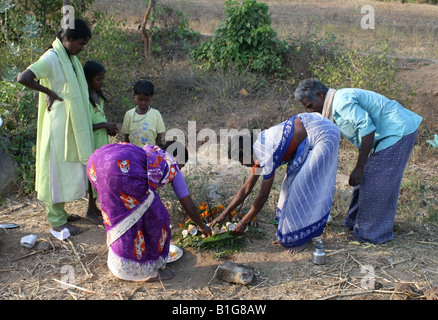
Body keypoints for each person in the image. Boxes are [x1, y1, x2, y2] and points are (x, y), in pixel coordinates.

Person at [294, 78, 423, 244]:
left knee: (375, 182)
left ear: (320, 95)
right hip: (388, 135)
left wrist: (360, 166)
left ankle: (371, 234)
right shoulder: (336, 105)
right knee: (364, 181)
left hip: (398, 131)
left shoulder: (341, 101)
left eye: (311, 106)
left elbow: (367, 129)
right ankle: (355, 224)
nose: (312, 111)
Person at [211, 113, 340, 251]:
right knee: (287, 189)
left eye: (241, 160)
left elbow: (263, 195)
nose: (242, 164)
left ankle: (300, 239)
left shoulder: (265, 154)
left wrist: (244, 222)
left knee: (300, 189)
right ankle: (292, 235)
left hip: (324, 134)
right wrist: (223, 214)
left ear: (247, 153)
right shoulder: (258, 154)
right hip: (309, 130)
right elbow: (246, 189)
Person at [87, 141, 212, 281]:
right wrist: (203, 226)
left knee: (121, 217)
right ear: (177, 156)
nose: (179, 169)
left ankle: (120, 266)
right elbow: (188, 206)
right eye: (182, 165)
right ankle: (148, 272)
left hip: (96, 163)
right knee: (158, 218)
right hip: (119, 169)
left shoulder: (149, 153)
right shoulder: (170, 163)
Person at [17, 18, 94, 236]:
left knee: (66, 170)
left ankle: (61, 212)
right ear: (67, 39)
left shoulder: (69, 59)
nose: (81, 48)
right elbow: (23, 77)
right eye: (80, 43)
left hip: (70, 126)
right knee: (55, 171)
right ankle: (57, 221)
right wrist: (49, 92)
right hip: (57, 127)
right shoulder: (51, 58)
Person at [83, 60, 118, 224]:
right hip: (90, 142)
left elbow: (100, 118)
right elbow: (83, 126)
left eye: (103, 79)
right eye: (99, 79)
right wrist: (104, 125)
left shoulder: (98, 97)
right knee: (93, 175)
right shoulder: (83, 99)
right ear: (88, 79)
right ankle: (91, 210)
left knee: (100, 175)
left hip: (101, 141)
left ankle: (93, 207)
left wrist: (108, 127)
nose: (101, 82)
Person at [122, 80, 165, 147]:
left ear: (151, 96)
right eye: (140, 100)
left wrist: (157, 152)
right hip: (134, 152)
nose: (143, 103)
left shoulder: (156, 114)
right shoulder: (129, 114)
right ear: (134, 96)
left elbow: (159, 138)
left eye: (146, 100)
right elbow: (126, 138)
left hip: (150, 153)